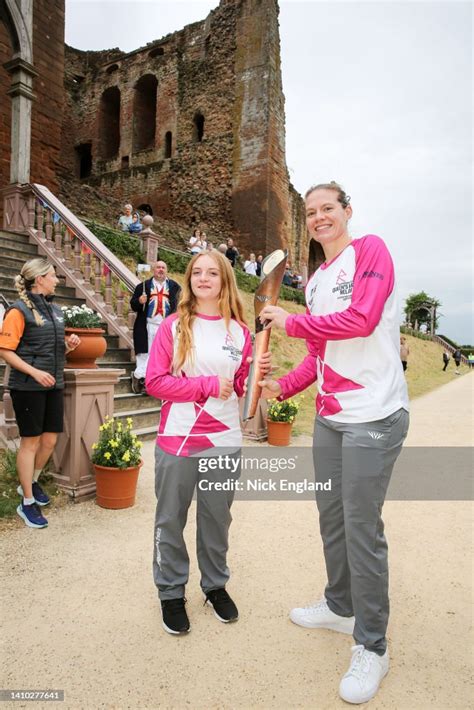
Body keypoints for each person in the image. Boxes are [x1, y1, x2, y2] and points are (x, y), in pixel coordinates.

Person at [258, 181, 409, 704]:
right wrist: (284, 385)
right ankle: (340, 605)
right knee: (332, 519)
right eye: (311, 211)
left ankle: (373, 645)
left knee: (361, 528)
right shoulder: (318, 280)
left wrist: (291, 321)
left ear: (347, 211)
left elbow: (362, 318)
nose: (319, 217)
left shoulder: (371, 252)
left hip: (375, 414)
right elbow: (320, 355)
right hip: (330, 419)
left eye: (328, 208)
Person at [145, 250, 270, 635]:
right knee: (170, 519)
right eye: (196, 272)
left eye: (211, 272)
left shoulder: (242, 333)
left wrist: (260, 375)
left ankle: (215, 585)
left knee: (217, 519)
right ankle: (170, 591)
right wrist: (206, 385)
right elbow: (155, 382)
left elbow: (246, 389)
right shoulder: (173, 326)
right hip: (178, 438)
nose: (203, 278)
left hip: (224, 440)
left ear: (224, 280)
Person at [0, 258, 81, 528]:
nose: (57, 279)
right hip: (28, 387)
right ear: (39, 280)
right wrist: (34, 373)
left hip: (53, 384)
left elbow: (53, 349)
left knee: (50, 440)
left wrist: (68, 346)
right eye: (53, 275)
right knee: (31, 443)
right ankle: (26, 503)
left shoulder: (56, 310)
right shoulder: (18, 311)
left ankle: (30, 483)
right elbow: (5, 351)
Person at [129, 261, 180, 394]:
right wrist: (139, 302)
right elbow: (133, 305)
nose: (161, 270)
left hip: (165, 327)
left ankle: (139, 376)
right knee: (145, 354)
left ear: (166, 270)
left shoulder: (175, 287)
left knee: (160, 355)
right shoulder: (143, 286)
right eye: (158, 267)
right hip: (146, 325)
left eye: (163, 267)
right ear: (154, 270)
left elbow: (180, 304)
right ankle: (143, 381)